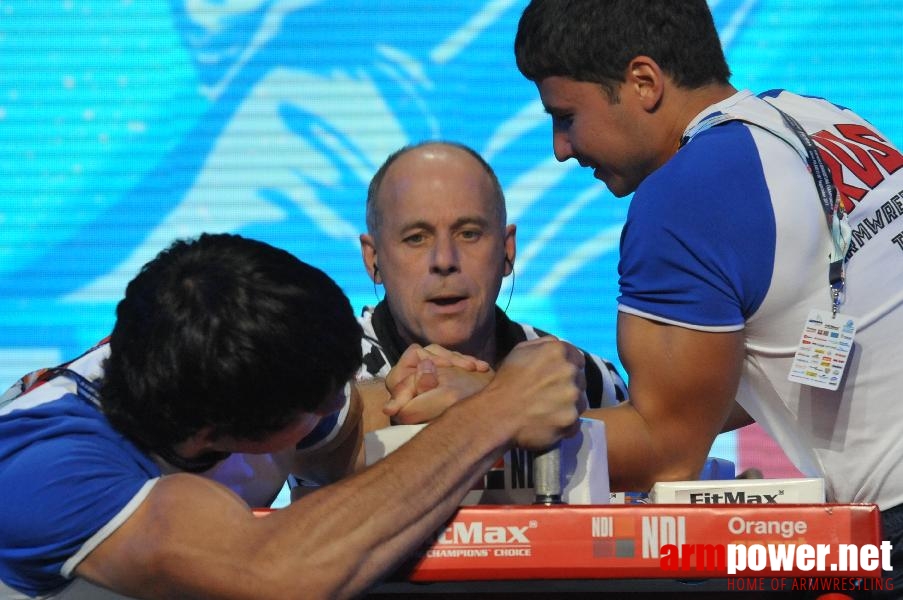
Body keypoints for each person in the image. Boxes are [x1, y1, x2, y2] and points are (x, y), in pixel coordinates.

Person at [508, 0, 903, 587]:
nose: (561, 148)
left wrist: (488, 417)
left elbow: (666, 452)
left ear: (644, 82)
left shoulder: (681, 201)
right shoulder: (819, 119)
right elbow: (796, 359)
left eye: (565, 116)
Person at [0, 233, 585, 599]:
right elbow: (276, 574)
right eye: (327, 399)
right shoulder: (48, 469)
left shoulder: (218, 355)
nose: (348, 398)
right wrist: (495, 413)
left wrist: (442, 392)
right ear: (216, 433)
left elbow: (361, 424)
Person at [358, 140, 627, 424]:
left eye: (469, 233)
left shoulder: (586, 381)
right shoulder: (329, 377)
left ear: (507, 250)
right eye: (416, 238)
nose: (445, 260)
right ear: (373, 258)